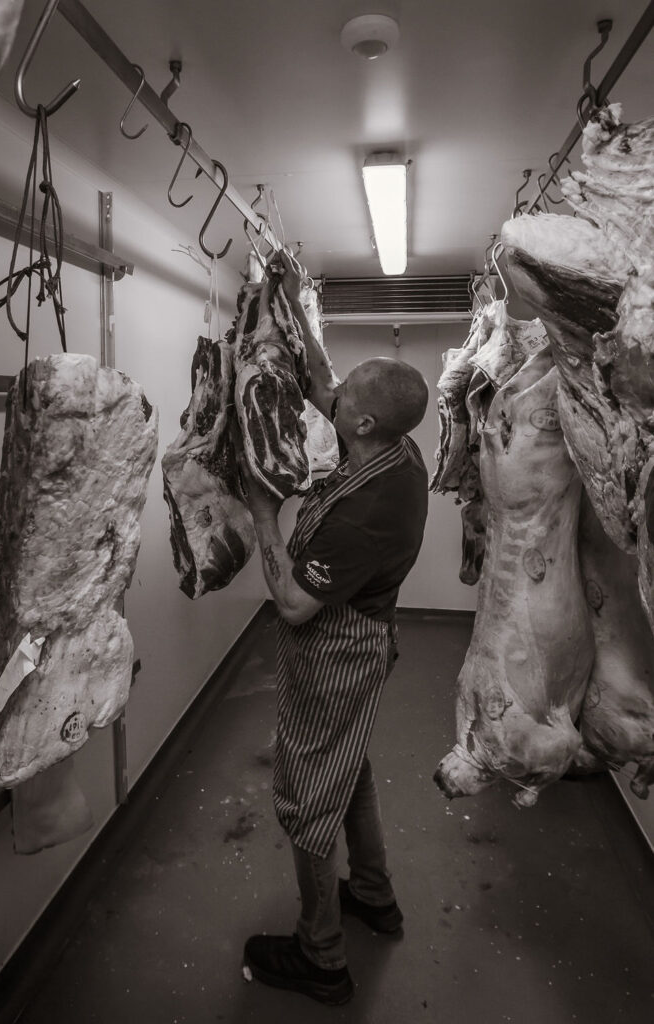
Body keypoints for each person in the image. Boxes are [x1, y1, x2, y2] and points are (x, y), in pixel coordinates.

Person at [240, 250, 430, 1006]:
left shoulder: (365, 509)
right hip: (364, 639)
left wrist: (262, 514)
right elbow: (324, 382)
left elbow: (290, 605)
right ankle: (374, 897)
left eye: (344, 394)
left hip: (337, 650)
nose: (331, 390)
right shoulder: (394, 444)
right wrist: (284, 293)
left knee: (307, 800)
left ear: (358, 423)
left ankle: (320, 956)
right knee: (346, 772)